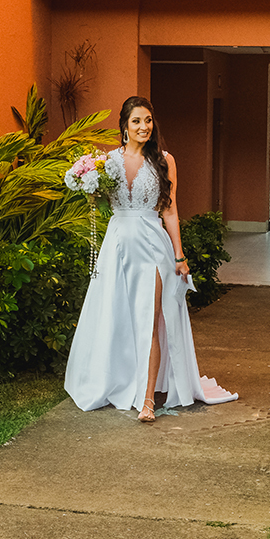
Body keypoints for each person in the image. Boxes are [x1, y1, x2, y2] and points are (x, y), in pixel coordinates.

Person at [64, 96, 237, 422]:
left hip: (152, 247)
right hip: (117, 246)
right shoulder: (107, 163)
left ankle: (147, 401)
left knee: (150, 319)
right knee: (116, 317)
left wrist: (179, 255)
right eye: (136, 121)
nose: (144, 127)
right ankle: (117, 382)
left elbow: (169, 210)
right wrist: (88, 187)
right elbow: (100, 204)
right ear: (124, 126)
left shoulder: (164, 160)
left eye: (148, 120)